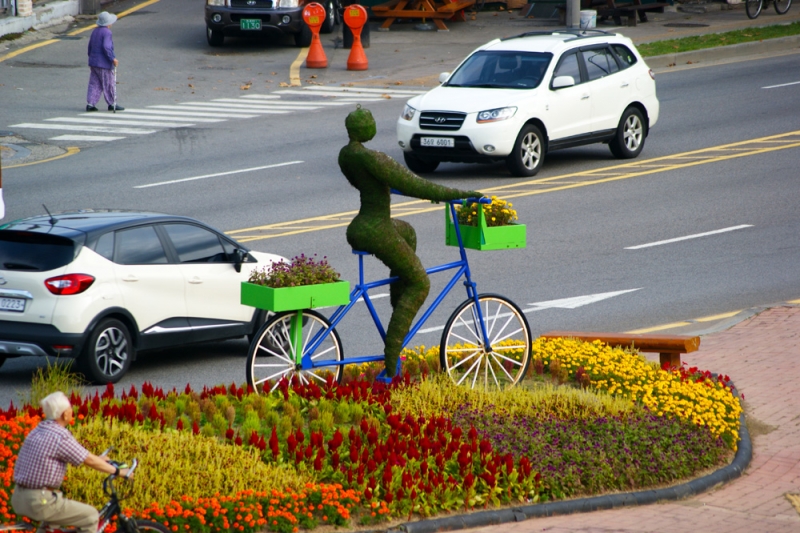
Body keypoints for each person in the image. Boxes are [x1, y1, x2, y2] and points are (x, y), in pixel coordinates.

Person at [338, 107, 482, 379]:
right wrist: (459, 195)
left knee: (409, 233)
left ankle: (399, 309)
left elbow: (377, 184)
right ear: (365, 129)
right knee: (421, 282)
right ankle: (392, 363)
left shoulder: (347, 155)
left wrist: (390, 185)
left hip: (363, 224)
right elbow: (418, 186)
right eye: (370, 122)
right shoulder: (374, 158)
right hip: (375, 228)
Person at [11, 391, 131, 533]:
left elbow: (78, 455)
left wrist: (99, 459)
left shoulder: (38, 430)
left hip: (20, 497)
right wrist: (119, 471)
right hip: (40, 501)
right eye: (70, 409)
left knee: (52, 527)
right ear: (64, 414)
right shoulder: (59, 435)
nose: (72, 411)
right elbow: (88, 460)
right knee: (90, 516)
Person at [86, 11, 123, 112]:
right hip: (103, 63)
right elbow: (106, 47)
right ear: (108, 23)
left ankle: (90, 103)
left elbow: (90, 47)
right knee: (109, 83)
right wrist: (112, 59)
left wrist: (91, 58)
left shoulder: (95, 31)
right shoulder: (107, 32)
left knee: (94, 83)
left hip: (94, 62)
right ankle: (112, 103)